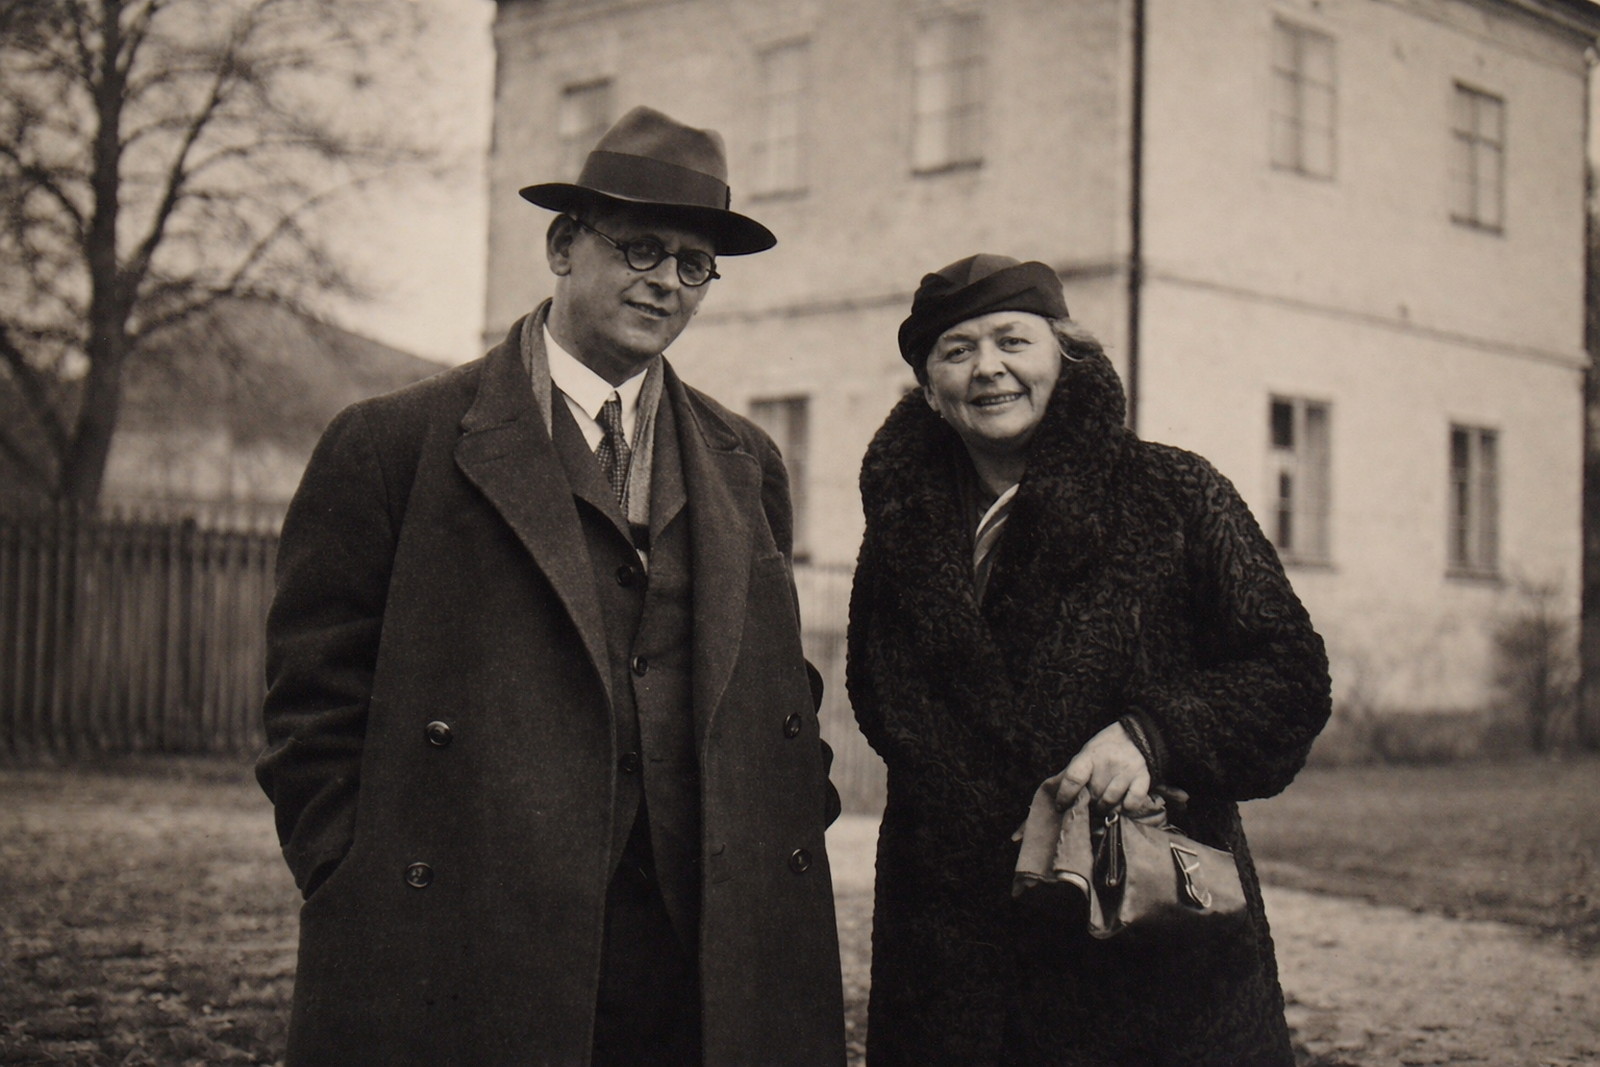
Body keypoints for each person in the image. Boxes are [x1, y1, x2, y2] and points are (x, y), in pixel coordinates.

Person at [256, 106, 846, 1066]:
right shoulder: (391, 445)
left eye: (693, 262)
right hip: (470, 933)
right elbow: (311, 703)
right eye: (640, 247)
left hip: (702, 951)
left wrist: (785, 822)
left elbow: (778, 687)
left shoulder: (746, 459)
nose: (665, 280)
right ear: (563, 245)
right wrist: (355, 873)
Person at [847, 254, 1331, 1065]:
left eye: (1013, 341)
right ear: (929, 388)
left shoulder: (1173, 492)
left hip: (1144, 944)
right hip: (950, 953)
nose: (988, 367)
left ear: (1065, 357)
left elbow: (1290, 675)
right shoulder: (902, 528)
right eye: (957, 350)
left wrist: (1151, 737)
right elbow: (876, 692)